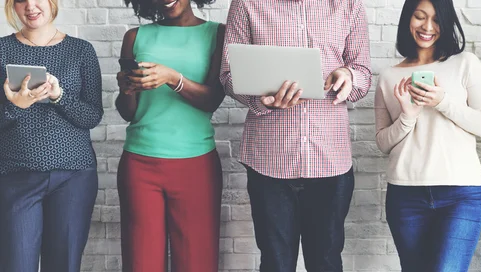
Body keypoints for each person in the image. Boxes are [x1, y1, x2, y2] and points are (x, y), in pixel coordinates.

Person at [219, 0, 372, 270]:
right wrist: (262, 100)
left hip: (330, 162)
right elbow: (229, 74)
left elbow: (363, 75)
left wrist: (348, 75)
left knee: (326, 261)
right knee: (276, 264)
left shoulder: (349, 5)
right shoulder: (246, 4)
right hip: (268, 164)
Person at [374, 0, 481, 271]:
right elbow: (382, 142)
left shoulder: (465, 63)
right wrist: (408, 115)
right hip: (405, 195)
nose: (428, 27)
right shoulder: (390, 75)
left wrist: (442, 101)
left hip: (461, 193)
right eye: (419, 17)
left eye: (437, 19)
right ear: (408, 20)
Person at [115, 0, 225, 271]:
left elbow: (212, 100)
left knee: (196, 263)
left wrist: (172, 78)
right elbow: (128, 113)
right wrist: (127, 90)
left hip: (196, 165)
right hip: (139, 165)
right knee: (141, 263)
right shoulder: (135, 36)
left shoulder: (217, 33)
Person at [0, 0, 104, 271]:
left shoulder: (81, 50)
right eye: (21, 0)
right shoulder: (1, 49)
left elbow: (92, 116)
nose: (30, 6)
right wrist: (16, 107)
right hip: (15, 176)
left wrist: (59, 96)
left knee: (64, 265)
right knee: (16, 265)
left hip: (74, 176)